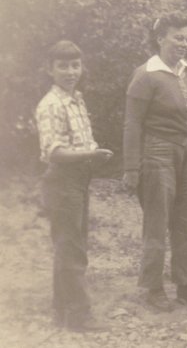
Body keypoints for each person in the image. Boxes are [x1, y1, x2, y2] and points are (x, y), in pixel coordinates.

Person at [122, 12, 187, 312]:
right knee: (157, 221)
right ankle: (153, 288)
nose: (184, 43)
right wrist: (131, 168)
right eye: (177, 37)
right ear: (160, 39)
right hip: (156, 152)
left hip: (186, 151)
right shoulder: (145, 74)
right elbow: (132, 123)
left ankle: (186, 285)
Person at [35, 40, 113, 332]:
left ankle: (62, 311)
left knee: (70, 244)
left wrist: (92, 156)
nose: (70, 72)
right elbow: (54, 152)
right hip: (62, 180)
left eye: (75, 65)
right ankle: (80, 316)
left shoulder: (76, 98)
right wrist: (90, 155)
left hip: (79, 180)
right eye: (63, 66)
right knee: (71, 249)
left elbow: (82, 141)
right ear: (50, 69)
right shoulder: (51, 104)